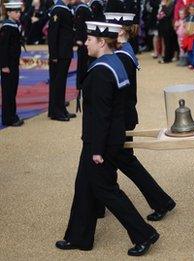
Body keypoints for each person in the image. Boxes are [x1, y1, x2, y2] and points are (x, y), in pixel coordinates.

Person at [55, 21, 159, 256]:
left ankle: (144, 233)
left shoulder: (102, 71)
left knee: (106, 190)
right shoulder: (112, 62)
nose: (86, 44)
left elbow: (102, 115)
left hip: (99, 142)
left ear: (102, 42)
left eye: (90, 40)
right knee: (84, 187)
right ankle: (79, 238)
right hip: (100, 139)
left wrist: (97, 150)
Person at [104, 11, 176, 221]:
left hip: (121, 117)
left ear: (120, 30)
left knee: (125, 162)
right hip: (123, 115)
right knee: (111, 163)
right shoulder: (124, 50)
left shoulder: (122, 55)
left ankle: (161, 201)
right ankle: (96, 204)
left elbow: (120, 93)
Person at [47, 0, 76, 121]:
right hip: (59, 54)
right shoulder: (58, 9)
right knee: (57, 82)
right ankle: (55, 111)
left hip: (64, 52)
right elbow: (53, 34)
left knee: (61, 82)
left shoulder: (65, 8)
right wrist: (53, 54)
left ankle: (59, 108)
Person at [0, 1, 24, 127]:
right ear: (9, 13)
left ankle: (12, 115)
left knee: (12, 90)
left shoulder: (14, 25)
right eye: (15, 11)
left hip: (13, 63)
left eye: (19, 11)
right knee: (8, 92)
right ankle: (8, 118)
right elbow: (3, 48)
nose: (18, 13)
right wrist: (3, 65)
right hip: (7, 65)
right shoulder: (7, 27)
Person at [73, 0, 92, 96]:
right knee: (82, 63)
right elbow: (79, 24)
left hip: (87, 40)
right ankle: (80, 84)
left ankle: (83, 82)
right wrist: (78, 39)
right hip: (83, 41)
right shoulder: (81, 8)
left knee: (85, 63)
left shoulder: (85, 7)